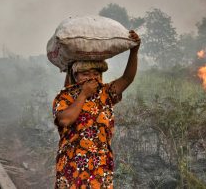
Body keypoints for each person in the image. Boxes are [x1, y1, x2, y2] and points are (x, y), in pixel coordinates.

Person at [52, 30, 141, 188]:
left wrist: (134, 51)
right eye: (85, 73)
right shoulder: (65, 96)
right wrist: (83, 95)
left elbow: (127, 78)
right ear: (76, 75)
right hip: (72, 168)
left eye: (95, 73)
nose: (91, 77)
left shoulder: (106, 93)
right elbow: (65, 119)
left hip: (100, 168)